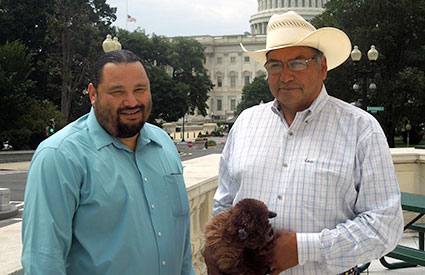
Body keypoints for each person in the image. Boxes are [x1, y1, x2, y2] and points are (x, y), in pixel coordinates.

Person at [213, 11, 403, 275]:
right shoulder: (246, 123)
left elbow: (385, 226)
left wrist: (305, 248)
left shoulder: (360, 128)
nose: (285, 75)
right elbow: (223, 206)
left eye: (298, 63)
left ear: (322, 67)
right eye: (275, 65)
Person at [22, 50, 194, 275]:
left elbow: (182, 250)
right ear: (93, 94)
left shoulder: (164, 144)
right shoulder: (60, 156)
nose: (132, 102)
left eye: (140, 90)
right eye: (117, 92)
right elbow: (43, 262)